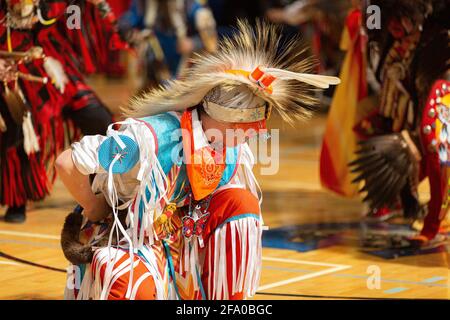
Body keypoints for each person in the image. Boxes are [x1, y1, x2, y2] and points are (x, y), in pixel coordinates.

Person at [56, 20, 340, 300]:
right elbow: (67, 163)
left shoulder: (230, 146)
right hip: (130, 241)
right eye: (239, 130)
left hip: (185, 241)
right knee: (129, 280)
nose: (245, 139)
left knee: (242, 205)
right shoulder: (148, 139)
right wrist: (95, 209)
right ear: (213, 115)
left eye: (249, 132)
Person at [0, 0, 115, 223]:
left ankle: (106, 186)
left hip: (54, 67)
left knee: (99, 118)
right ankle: (18, 200)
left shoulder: (56, 6)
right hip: (13, 78)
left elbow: (74, 23)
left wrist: (96, 7)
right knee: (21, 133)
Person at [348, 0, 450, 244]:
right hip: (411, 99)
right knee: (376, 130)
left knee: (434, 138)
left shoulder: (437, 37)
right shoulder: (385, 43)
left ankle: (435, 219)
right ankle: (401, 200)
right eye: (390, 17)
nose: (394, 24)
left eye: (402, 16)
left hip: (440, 88)